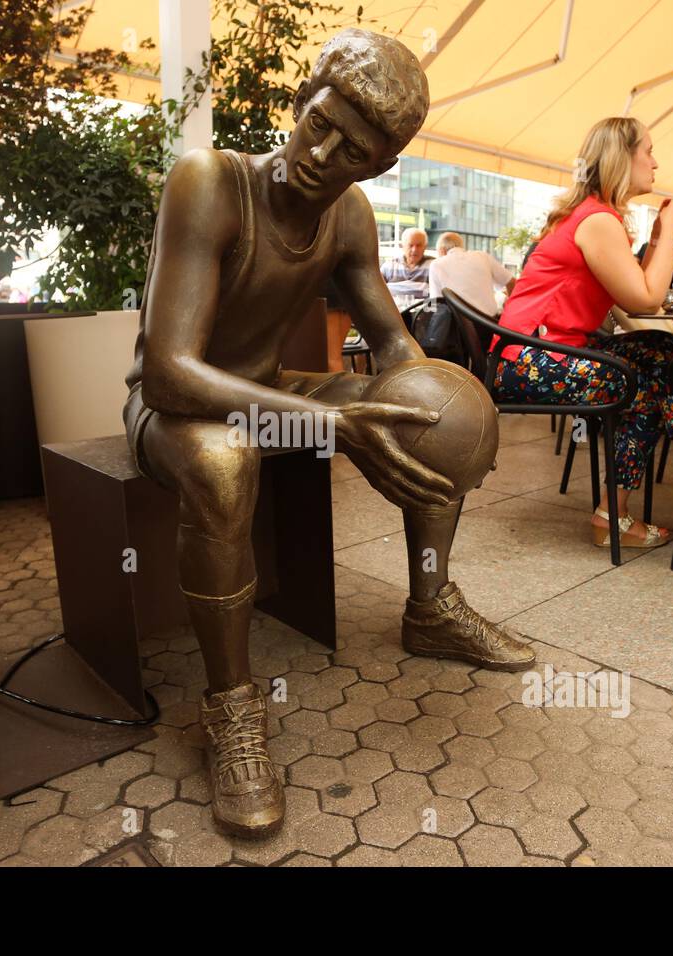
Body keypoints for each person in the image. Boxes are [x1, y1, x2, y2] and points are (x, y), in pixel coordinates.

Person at [124, 28, 534, 839]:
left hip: (268, 387)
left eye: (353, 150)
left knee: (423, 414)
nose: (323, 153)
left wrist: (430, 401)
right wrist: (335, 419)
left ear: (377, 169)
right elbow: (171, 369)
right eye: (321, 123)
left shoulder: (348, 217)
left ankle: (430, 603)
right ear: (300, 102)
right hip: (171, 405)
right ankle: (232, 706)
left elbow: (388, 338)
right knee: (224, 459)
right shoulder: (211, 182)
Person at [492, 116, 673, 550]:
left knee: (659, 351)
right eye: (648, 150)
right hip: (529, 360)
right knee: (649, 384)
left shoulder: (592, 217)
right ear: (623, 157)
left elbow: (638, 296)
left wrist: (659, 236)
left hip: (542, 352)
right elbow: (646, 300)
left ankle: (658, 491)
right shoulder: (597, 221)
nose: (656, 162)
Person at [428, 231, 514, 315]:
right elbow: (511, 281)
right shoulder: (483, 257)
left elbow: (436, 304)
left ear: (442, 250)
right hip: (489, 324)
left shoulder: (436, 264)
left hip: (459, 326)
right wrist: (511, 308)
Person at [381, 226, 431, 300]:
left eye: (419, 245)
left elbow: (437, 298)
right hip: (391, 310)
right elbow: (375, 290)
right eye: (410, 245)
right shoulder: (388, 266)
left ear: (425, 247)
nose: (414, 250)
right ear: (402, 246)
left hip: (422, 310)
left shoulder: (433, 266)